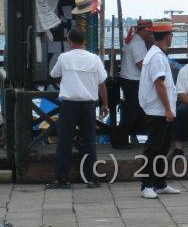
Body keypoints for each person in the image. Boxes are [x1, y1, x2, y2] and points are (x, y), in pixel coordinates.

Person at [46, 27, 109, 189]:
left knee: (64, 141)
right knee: (89, 141)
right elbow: (102, 84)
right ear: (84, 42)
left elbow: (53, 74)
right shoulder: (94, 59)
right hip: (88, 105)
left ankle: (62, 179)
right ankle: (92, 178)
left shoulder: (64, 57)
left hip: (70, 105)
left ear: (69, 41)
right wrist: (105, 104)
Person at [138, 22, 181, 199]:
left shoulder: (159, 55)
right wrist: (168, 109)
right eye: (171, 34)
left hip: (162, 109)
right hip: (158, 110)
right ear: (168, 36)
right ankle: (146, 185)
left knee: (162, 147)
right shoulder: (156, 57)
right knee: (153, 148)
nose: (172, 37)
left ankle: (159, 182)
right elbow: (159, 84)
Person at [113, 19, 152, 149]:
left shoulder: (134, 41)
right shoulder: (138, 44)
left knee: (134, 111)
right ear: (145, 31)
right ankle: (120, 139)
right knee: (131, 112)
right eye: (149, 32)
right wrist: (152, 75)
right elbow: (141, 64)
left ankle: (127, 137)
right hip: (133, 80)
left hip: (128, 79)